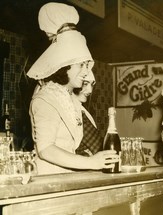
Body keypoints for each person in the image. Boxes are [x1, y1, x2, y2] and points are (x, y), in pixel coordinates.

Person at [27, 3, 118, 175]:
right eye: (81, 66)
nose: (86, 73)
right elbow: (45, 149)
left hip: (68, 179)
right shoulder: (45, 98)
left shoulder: (66, 95)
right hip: (50, 183)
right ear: (64, 67)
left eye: (87, 66)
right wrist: (91, 162)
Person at [73, 70, 103, 156]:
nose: (90, 90)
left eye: (92, 84)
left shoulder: (81, 109)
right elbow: (98, 148)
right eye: (85, 84)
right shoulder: (76, 111)